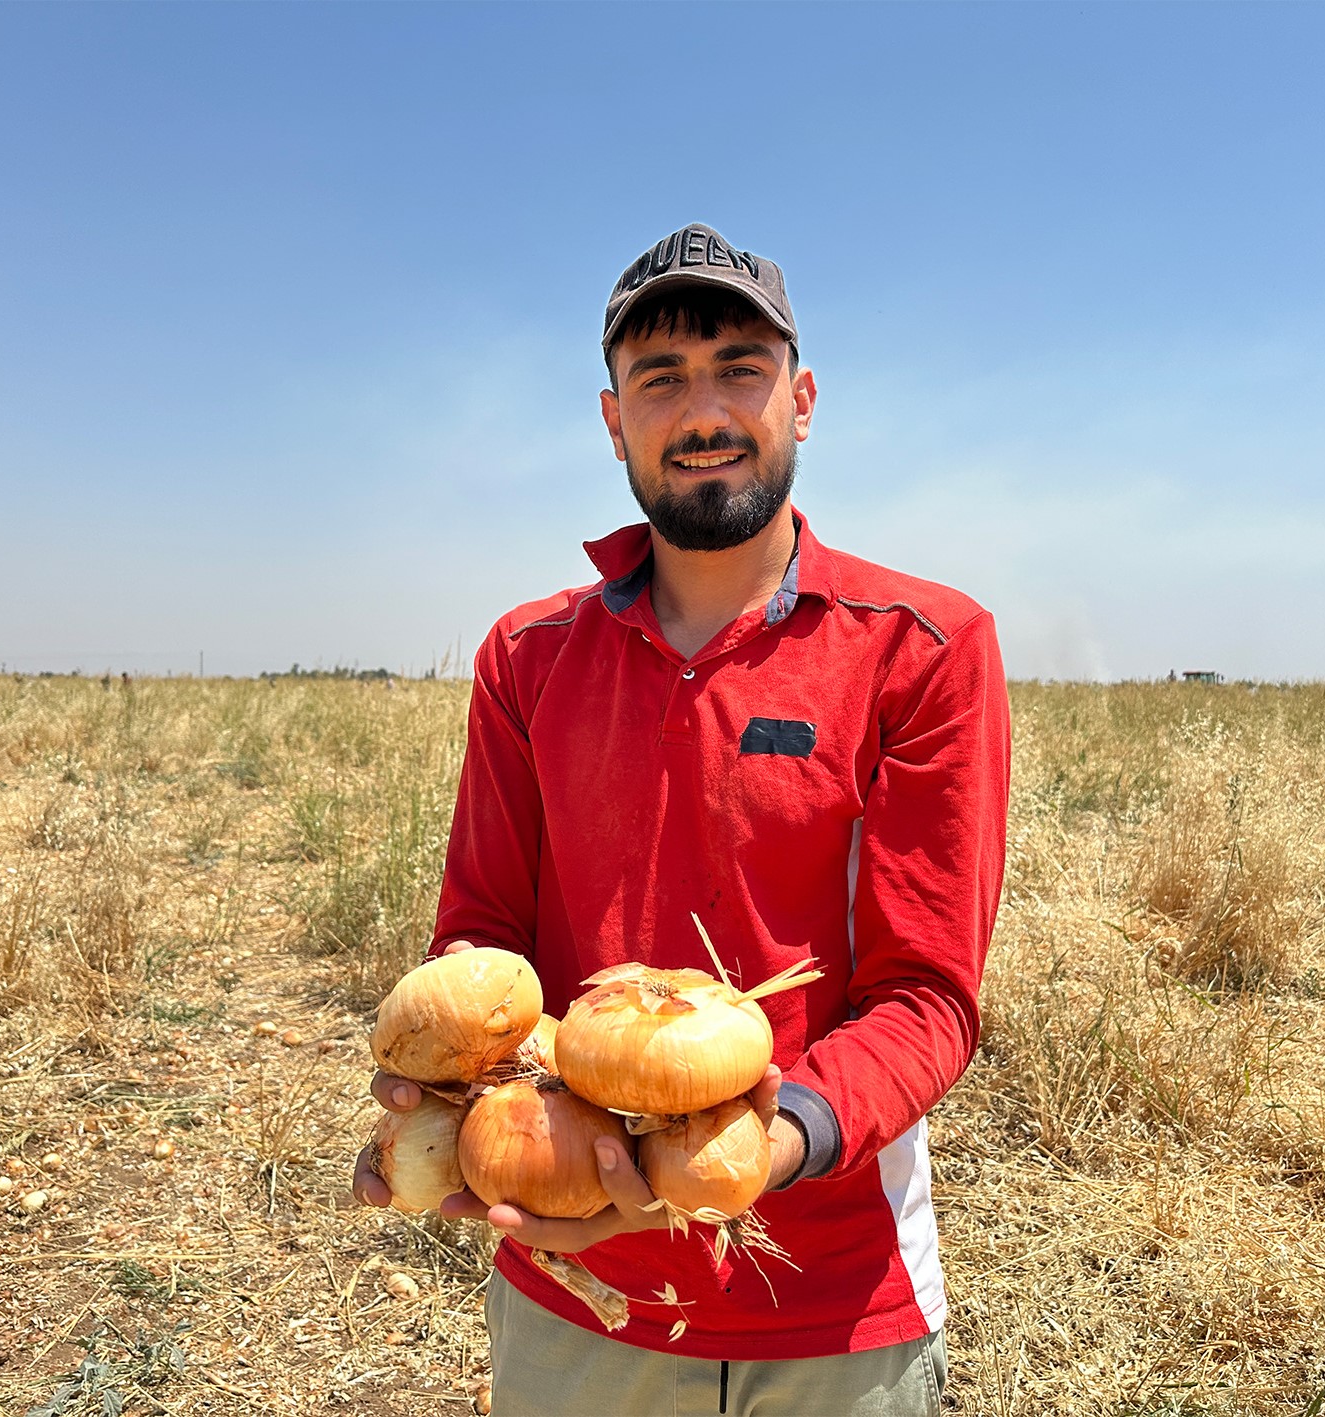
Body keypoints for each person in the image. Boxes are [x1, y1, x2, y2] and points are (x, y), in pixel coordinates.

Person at [353, 223, 1010, 1416]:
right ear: (613, 420)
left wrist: (760, 1146)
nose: (703, 409)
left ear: (801, 400)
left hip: (835, 1305)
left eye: (738, 368)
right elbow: (483, 935)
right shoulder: (527, 655)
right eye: (660, 378)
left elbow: (928, 998)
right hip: (574, 1283)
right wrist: (449, 1079)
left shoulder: (923, 647)